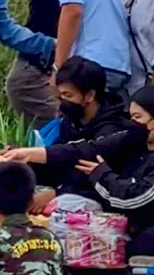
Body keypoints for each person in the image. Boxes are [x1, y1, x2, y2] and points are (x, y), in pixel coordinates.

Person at [5, 86, 154, 263]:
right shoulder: (134, 140)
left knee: (133, 245)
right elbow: (89, 149)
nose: (132, 123)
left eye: (137, 117)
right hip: (144, 220)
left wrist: (101, 175)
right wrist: (32, 155)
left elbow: (139, 198)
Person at [24, 56, 131, 211]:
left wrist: (56, 193)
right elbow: (58, 159)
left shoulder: (112, 130)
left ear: (89, 96)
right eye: (60, 95)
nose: (62, 101)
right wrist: (28, 162)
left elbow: (89, 175)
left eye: (68, 95)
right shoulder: (72, 120)